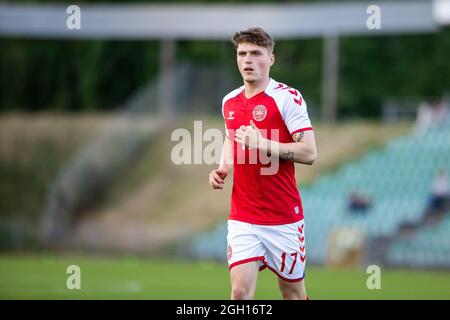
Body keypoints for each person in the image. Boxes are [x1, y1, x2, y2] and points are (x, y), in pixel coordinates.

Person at [208, 27, 317, 300]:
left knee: (291, 293)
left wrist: (264, 144)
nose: (247, 60)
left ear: (271, 59)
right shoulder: (229, 101)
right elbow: (231, 138)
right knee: (239, 293)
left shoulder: (287, 98)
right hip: (243, 217)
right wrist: (223, 167)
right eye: (242, 53)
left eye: (256, 53)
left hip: (284, 219)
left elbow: (309, 153)